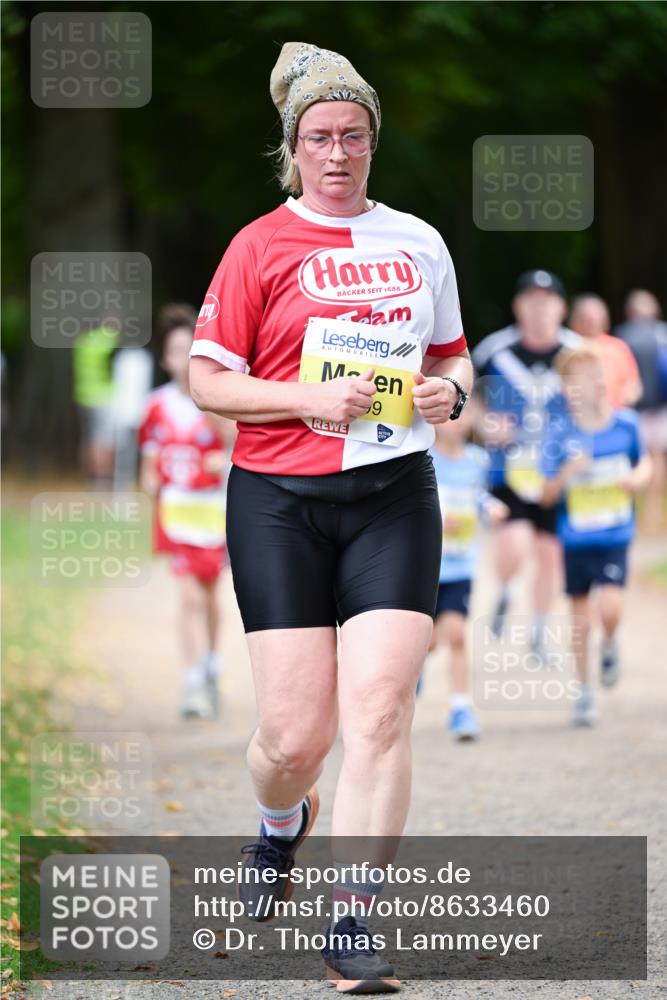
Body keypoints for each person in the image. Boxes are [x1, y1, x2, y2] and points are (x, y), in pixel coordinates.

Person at [189, 41, 472, 994]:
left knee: (381, 714)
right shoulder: (258, 245)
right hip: (278, 500)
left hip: (395, 494)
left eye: (353, 135)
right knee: (291, 741)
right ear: (293, 148)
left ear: (373, 142)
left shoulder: (418, 241)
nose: (338, 153)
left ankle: (351, 924)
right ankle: (279, 826)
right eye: (319, 138)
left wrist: (447, 396)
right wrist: (300, 397)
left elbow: (452, 357)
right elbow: (205, 380)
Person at [540, 346, 651, 727]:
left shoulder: (627, 425)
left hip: (615, 534)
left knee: (610, 609)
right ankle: (584, 692)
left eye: (595, 376)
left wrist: (636, 480)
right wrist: (568, 473)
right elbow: (545, 494)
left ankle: (610, 642)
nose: (592, 385)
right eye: (579, 381)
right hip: (576, 540)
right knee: (579, 619)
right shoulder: (559, 433)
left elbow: (645, 463)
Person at [472, 270, 579, 661]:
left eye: (547, 300)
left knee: (551, 553)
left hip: (557, 472)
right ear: (518, 306)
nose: (539, 308)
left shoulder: (577, 351)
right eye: (531, 299)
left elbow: (599, 399)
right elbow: (465, 394)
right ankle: (505, 590)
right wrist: (485, 424)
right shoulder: (493, 350)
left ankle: (539, 632)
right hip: (508, 469)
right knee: (514, 545)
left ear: (561, 306)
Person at [139, 304, 233, 720]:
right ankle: (193, 679)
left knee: (212, 597)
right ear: (165, 359)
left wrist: (221, 457)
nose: (183, 358)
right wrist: (150, 484)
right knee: (190, 596)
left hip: (213, 513)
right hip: (177, 514)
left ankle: (211, 663)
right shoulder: (155, 406)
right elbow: (147, 464)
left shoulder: (217, 400)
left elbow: (235, 446)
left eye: (190, 349)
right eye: (176, 350)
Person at [426, 407, 509, 740]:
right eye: (449, 416)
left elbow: (478, 496)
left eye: (462, 415)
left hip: (460, 567)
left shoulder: (477, 460)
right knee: (426, 642)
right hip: (426, 567)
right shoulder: (425, 458)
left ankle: (461, 708)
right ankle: (415, 668)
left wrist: (492, 508)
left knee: (458, 634)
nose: (456, 423)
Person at [614, 289, 667, 529]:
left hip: (633, 408)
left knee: (637, 459)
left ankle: (637, 511)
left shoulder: (622, 336)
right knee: (658, 458)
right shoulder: (663, 334)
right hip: (661, 406)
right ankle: (655, 511)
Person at [568, 294, 641, 409]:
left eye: (594, 317)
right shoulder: (567, 347)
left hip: (614, 413)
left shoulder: (618, 347)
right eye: (584, 317)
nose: (589, 322)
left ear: (604, 319)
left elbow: (633, 385)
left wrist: (621, 402)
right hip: (577, 415)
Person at [73, 324, 118, 486]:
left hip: (83, 396)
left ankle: (89, 477)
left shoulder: (83, 340)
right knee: (104, 439)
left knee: (88, 438)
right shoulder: (107, 340)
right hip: (103, 396)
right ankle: (103, 478)